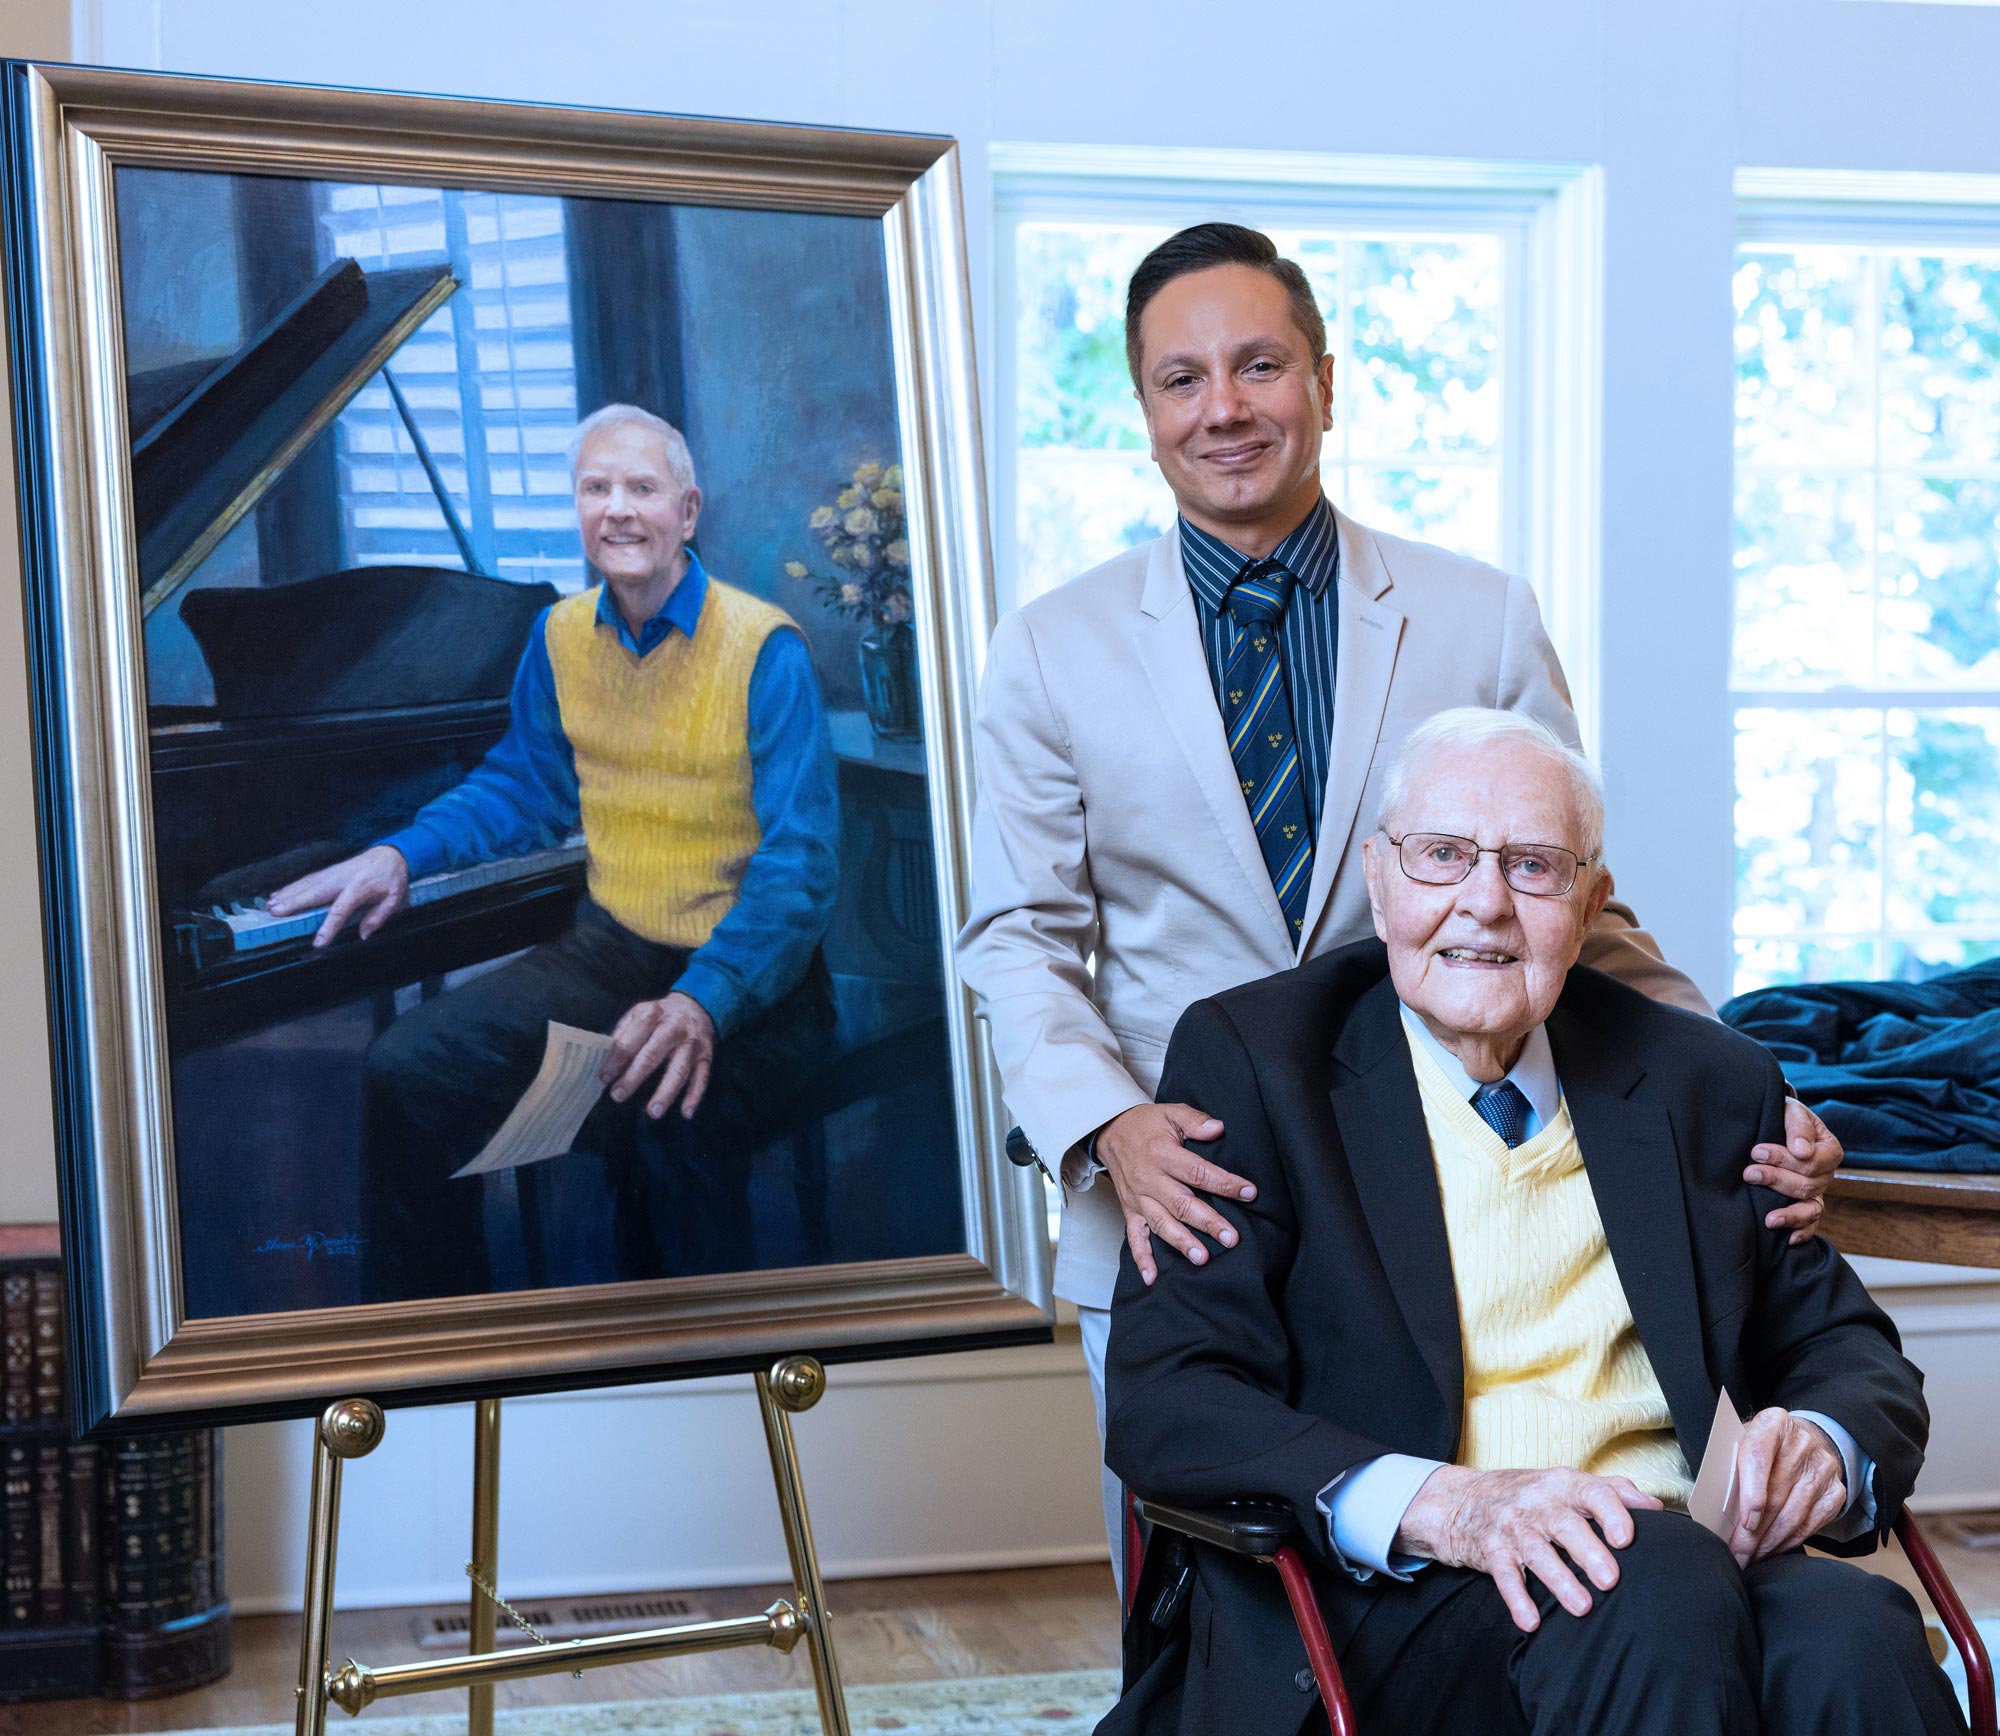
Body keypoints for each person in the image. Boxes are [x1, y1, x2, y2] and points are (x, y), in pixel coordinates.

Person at [953, 222, 1842, 1565]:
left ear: (1323, 377)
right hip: (1189, 1194)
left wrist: (1742, 1087)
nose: (1226, 408)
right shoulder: (1048, 649)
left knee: (1463, 1578)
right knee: (1208, 1596)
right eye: (1182, 379)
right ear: (1142, 411)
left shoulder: (1476, 616)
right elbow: (1019, 934)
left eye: (1260, 365)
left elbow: (1576, 899)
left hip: (1431, 1195)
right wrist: (1111, 1129)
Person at [1097, 709, 1962, 1736]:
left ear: (1590, 902)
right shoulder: (1257, 1061)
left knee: (1849, 1630)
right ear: (1377, 877)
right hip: (1392, 1600)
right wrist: (1444, 1504)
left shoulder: (1700, 1080)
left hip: (1680, 1557)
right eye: (1441, 855)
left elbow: (1841, 1345)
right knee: (1652, 1575)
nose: (1482, 903)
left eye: (1532, 867)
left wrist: (1822, 1439)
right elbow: (1169, 1397)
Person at [267, 404, 841, 1300]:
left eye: (642, 488)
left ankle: (695, 1378)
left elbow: (799, 872)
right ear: (577, 509)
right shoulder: (560, 636)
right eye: (596, 488)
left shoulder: (765, 650)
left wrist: (703, 999)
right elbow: (523, 788)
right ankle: (444, 1353)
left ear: (687, 512)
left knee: (665, 1118)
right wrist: (402, 856)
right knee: (406, 1071)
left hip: (756, 981)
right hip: (609, 956)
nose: (617, 509)